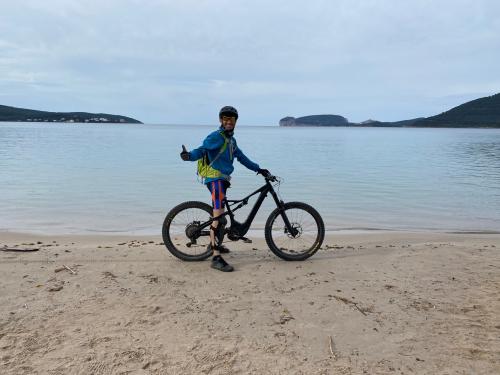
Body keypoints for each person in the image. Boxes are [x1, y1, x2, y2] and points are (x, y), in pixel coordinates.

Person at [180, 106, 270, 272]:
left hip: (223, 180)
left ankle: (215, 244)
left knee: (222, 218)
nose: (229, 121)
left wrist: (259, 169)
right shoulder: (216, 137)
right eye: (225, 119)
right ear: (221, 120)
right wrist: (189, 157)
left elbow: (242, 158)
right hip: (215, 180)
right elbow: (202, 150)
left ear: (235, 121)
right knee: (218, 216)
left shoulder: (231, 141)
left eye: (232, 119)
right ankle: (215, 257)